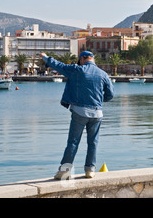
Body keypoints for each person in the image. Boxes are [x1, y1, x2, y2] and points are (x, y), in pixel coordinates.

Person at [40, 51, 114, 180]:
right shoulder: (103, 74)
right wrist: (99, 100)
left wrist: (45, 58)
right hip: (97, 113)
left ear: (81, 59)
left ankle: (64, 171)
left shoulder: (77, 70)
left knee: (73, 142)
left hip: (80, 112)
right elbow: (110, 94)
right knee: (93, 143)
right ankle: (90, 170)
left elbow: (59, 66)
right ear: (93, 59)